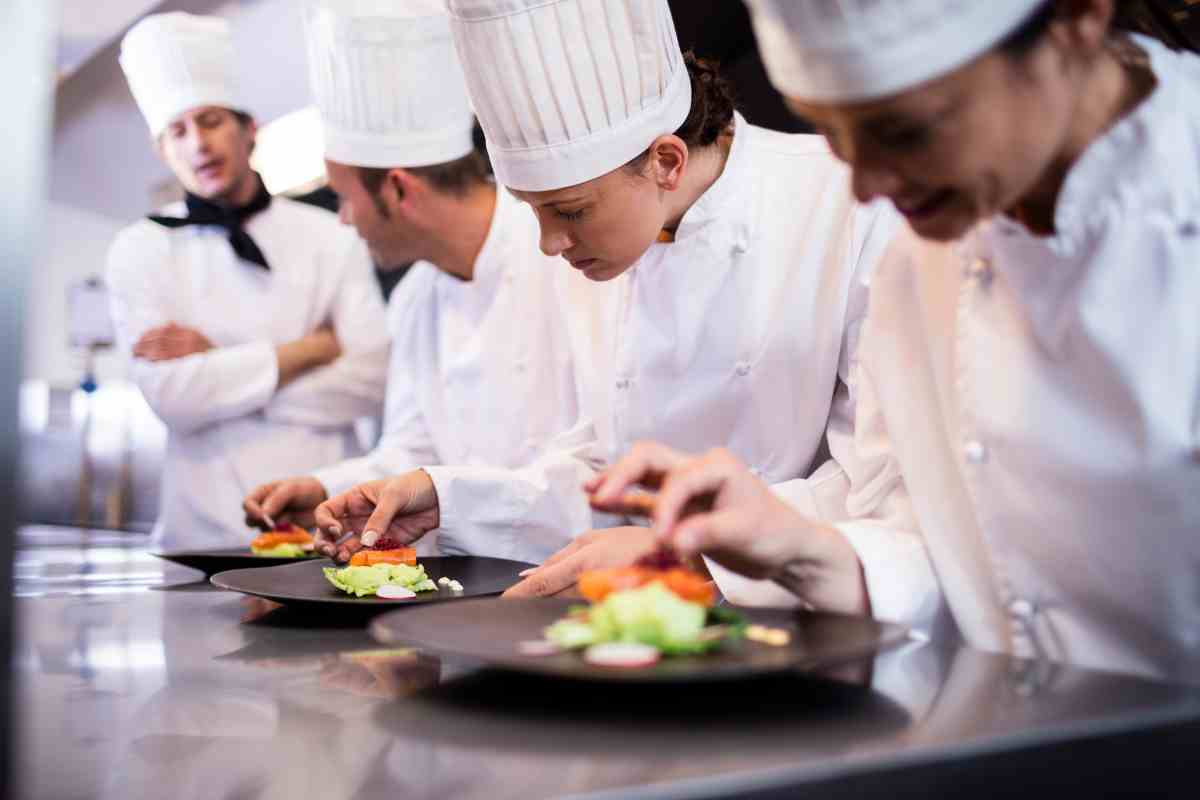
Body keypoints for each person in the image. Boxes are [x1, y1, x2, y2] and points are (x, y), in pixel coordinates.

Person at [586, 0, 1200, 683]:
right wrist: (801, 548)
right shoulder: (923, 257)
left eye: (904, 130)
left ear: (1080, 19)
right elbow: (958, 563)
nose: (868, 186)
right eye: (834, 135)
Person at [314, 0, 899, 603]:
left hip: (808, 625)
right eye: (533, 211)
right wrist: (448, 496)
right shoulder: (604, 251)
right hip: (650, 624)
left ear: (665, 161)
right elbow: (605, 473)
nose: (548, 244)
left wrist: (691, 549)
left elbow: (875, 490)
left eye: (569, 211)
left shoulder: (847, 207)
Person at [243, 0, 595, 563]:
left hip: (580, 579)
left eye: (345, 198)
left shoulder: (573, 254)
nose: (343, 219)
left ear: (399, 191)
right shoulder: (414, 298)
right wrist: (323, 487)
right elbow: (409, 453)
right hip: (460, 589)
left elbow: (601, 461)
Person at [106, 12, 389, 548]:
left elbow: (370, 380)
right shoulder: (139, 247)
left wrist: (220, 363)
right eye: (177, 131)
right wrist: (308, 350)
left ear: (249, 129)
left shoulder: (333, 234)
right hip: (199, 534)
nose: (197, 144)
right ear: (163, 151)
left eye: (210, 121)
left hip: (324, 523)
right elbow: (172, 398)